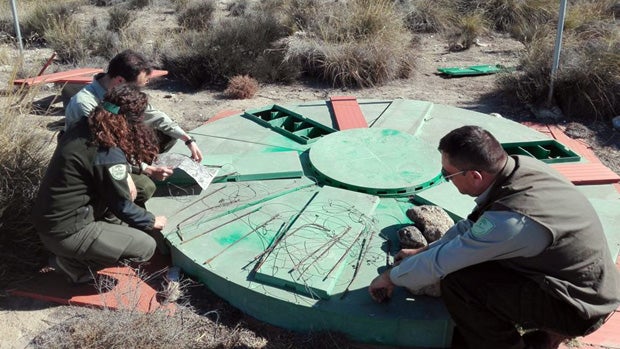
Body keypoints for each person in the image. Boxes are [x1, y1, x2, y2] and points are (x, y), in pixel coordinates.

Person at [368, 125, 620, 349]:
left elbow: (442, 263)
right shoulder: (518, 168)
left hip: (579, 308)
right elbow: (472, 226)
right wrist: (422, 251)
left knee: (460, 282)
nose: (446, 179)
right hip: (583, 285)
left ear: (475, 176)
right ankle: (546, 336)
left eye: (448, 174)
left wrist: (391, 277)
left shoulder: (511, 221)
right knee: (476, 263)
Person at [32, 84, 167, 284]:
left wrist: (140, 170)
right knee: (145, 246)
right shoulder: (106, 150)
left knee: (138, 191)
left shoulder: (85, 126)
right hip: (65, 232)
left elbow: (99, 168)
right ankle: (73, 265)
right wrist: (151, 220)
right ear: (130, 121)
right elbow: (121, 204)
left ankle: (87, 246)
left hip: (53, 220)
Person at [64, 49, 203, 206]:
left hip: (117, 147)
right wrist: (144, 169)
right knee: (145, 188)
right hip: (96, 162)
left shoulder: (122, 91)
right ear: (120, 81)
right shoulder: (85, 105)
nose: (140, 91)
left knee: (167, 134)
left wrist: (188, 139)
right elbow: (102, 153)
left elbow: (154, 115)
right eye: (137, 87)